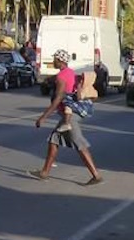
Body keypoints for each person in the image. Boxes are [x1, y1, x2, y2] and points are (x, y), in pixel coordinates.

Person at [29, 49, 102, 186]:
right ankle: (45, 172)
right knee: (54, 140)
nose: (53, 62)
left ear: (60, 60)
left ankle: (96, 175)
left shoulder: (61, 76)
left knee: (79, 144)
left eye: (55, 59)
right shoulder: (69, 72)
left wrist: (43, 117)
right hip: (68, 114)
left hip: (71, 116)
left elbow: (58, 98)